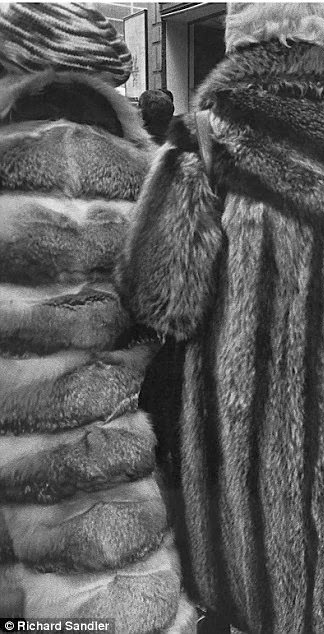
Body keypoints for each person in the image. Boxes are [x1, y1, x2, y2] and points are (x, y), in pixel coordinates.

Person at [117, 3, 324, 631]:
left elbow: (158, 298)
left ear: (243, 37)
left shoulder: (205, 138)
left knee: (250, 595)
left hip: (245, 447)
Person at [0, 3, 192, 630]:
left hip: (14, 464)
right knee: (123, 594)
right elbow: (171, 311)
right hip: (119, 449)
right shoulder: (146, 176)